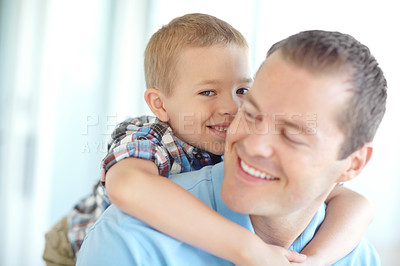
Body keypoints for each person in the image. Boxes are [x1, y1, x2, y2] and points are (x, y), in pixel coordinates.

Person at [45, 14, 376, 265]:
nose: (231, 108)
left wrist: (315, 258)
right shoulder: (148, 136)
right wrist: (247, 247)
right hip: (74, 237)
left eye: (242, 91)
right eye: (208, 92)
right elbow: (127, 188)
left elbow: (355, 204)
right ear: (160, 104)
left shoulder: (246, 143)